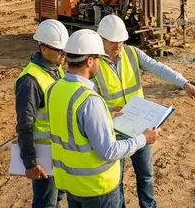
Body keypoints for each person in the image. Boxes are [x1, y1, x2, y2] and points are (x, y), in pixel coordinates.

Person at [94, 14, 195, 208]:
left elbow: (157, 68)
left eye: (120, 41)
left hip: (140, 127)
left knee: (145, 176)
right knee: (115, 181)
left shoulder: (132, 53)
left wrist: (183, 83)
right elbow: (90, 96)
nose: (117, 46)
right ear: (101, 38)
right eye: (113, 41)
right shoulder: (93, 63)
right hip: (114, 130)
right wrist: (109, 109)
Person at [47, 29, 158, 208]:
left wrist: (104, 115)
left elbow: (72, 127)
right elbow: (108, 151)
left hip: (71, 185)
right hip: (97, 187)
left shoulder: (54, 90)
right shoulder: (90, 100)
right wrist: (143, 139)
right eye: (99, 58)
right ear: (90, 60)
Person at [14, 19, 69, 208]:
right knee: (46, 204)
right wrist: (30, 163)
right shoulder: (30, 81)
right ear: (43, 48)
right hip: (43, 157)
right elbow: (25, 124)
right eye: (58, 49)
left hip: (59, 153)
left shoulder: (56, 70)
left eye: (64, 49)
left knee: (57, 199)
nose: (64, 54)